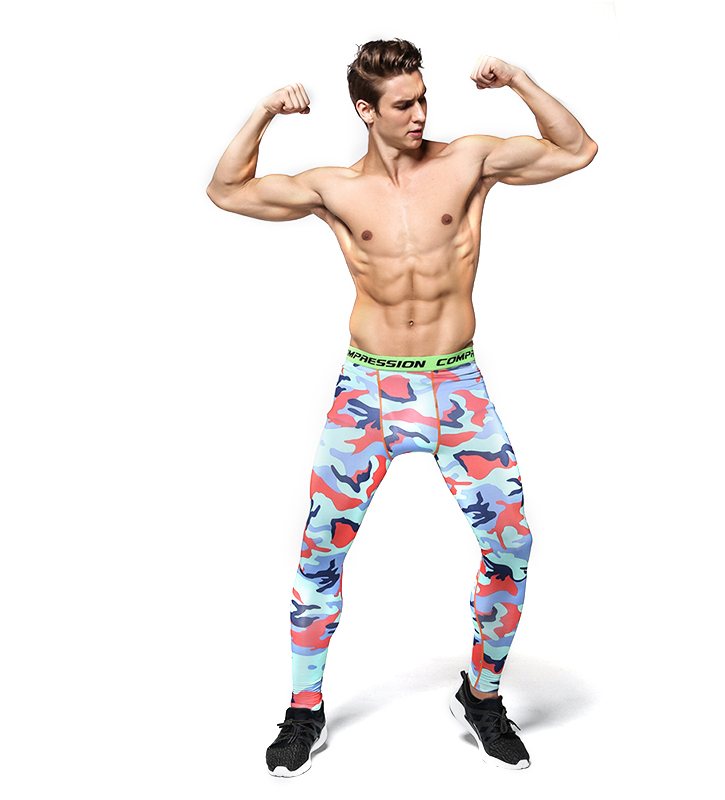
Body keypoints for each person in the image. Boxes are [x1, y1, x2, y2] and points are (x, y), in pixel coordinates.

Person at [207, 39, 597, 777]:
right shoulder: (335, 187)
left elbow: (577, 149)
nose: (420, 114)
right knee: (320, 552)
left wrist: (519, 79)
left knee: (511, 544)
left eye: (423, 98)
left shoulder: (469, 160)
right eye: (403, 103)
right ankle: (304, 710)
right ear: (366, 110)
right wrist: (264, 111)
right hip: (370, 391)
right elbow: (227, 191)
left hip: (455, 387)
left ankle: (481, 695)